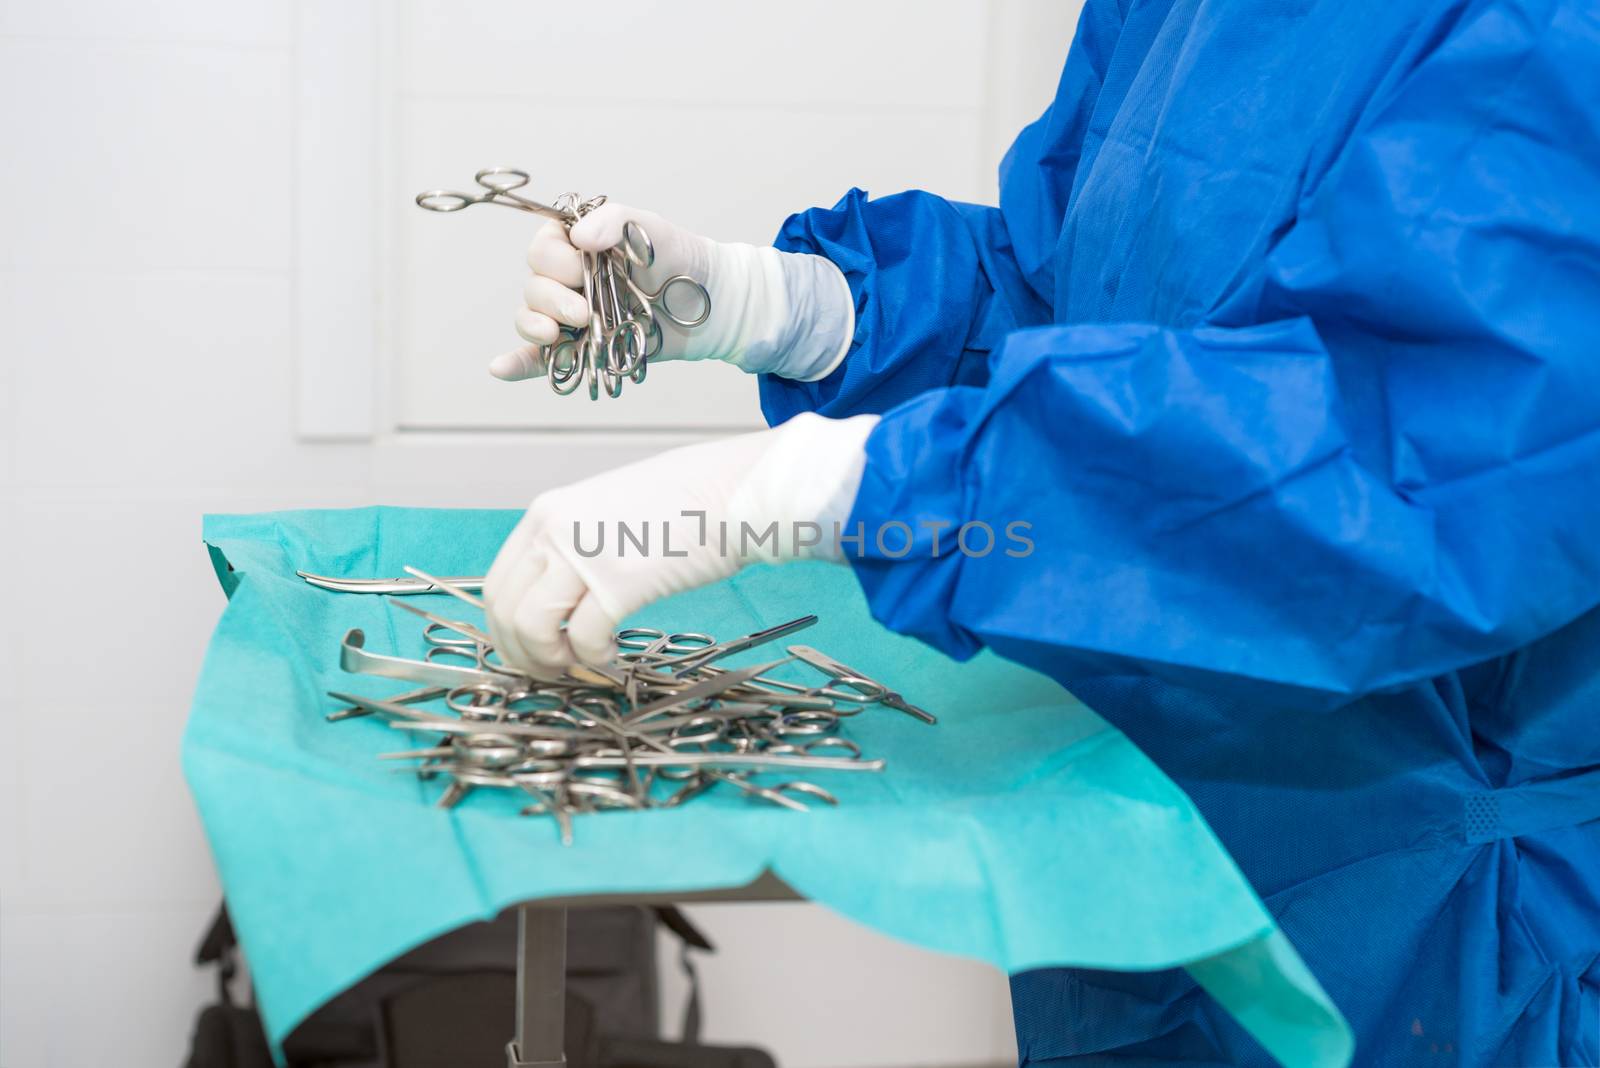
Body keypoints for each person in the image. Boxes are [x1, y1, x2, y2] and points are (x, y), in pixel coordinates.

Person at [480, 0, 1600, 1062]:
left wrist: (842, 482)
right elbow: (1078, 308)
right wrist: (786, 307)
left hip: (1440, 944)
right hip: (1153, 844)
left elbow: (1411, 462)